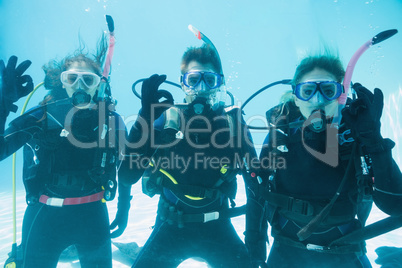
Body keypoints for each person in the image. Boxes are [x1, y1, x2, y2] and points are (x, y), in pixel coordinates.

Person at [119, 43, 264, 267]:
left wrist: (256, 246)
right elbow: (128, 176)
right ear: (183, 83)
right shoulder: (165, 119)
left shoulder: (233, 124)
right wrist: (144, 119)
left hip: (218, 227)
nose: (201, 88)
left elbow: (255, 188)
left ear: (220, 84)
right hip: (169, 225)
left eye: (210, 80)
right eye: (193, 80)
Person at [251, 53, 402, 267]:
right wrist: (254, 248)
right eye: (308, 91)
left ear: (340, 95)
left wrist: (374, 141)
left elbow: (396, 205)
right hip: (286, 250)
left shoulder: (356, 134)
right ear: (296, 97)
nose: (318, 99)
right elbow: (257, 194)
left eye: (328, 90)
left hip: (345, 250)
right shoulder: (280, 136)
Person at [0, 47, 131, 267]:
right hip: (44, 217)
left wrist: (124, 208)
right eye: (72, 78)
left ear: (99, 84)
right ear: (63, 82)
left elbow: (127, 168)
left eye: (88, 80)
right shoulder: (41, 116)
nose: (79, 86)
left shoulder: (111, 120)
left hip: (93, 216)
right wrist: (2, 104)